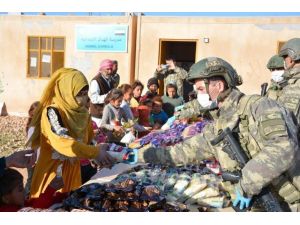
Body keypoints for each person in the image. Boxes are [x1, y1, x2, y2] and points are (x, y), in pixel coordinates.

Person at [137, 57, 300, 211]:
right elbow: (185, 151)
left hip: (289, 203)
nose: (197, 95)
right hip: (258, 203)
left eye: (200, 89)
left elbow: (284, 147)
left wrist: (246, 184)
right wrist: (141, 155)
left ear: (219, 86)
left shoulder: (260, 107)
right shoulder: (219, 124)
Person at [27, 68, 116, 200]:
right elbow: (63, 142)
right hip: (52, 177)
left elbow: (88, 142)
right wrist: (95, 152)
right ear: (66, 92)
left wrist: (99, 158)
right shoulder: (52, 112)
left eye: (86, 93)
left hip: (73, 175)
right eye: (79, 93)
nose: (84, 98)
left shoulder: (83, 114)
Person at [276, 38, 300, 124]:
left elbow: (288, 124)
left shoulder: (294, 87)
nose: (284, 61)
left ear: (291, 58)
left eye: (284, 57)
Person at [89, 59, 114, 126]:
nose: (110, 71)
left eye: (111, 69)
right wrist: (108, 96)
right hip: (98, 116)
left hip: (107, 114)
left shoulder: (110, 80)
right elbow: (94, 99)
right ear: (102, 69)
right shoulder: (96, 81)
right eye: (107, 69)